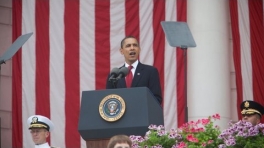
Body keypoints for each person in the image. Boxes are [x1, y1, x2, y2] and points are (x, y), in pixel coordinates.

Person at [106, 36, 162, 104]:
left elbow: (156, 99)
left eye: (135, 45)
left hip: (142, 113)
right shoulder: (114, 75)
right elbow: (109, 100)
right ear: (121, 51)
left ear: (139, 49)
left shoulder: (150, 71)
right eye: (128, 46)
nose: (132, 48)